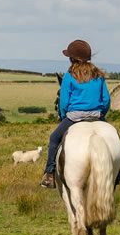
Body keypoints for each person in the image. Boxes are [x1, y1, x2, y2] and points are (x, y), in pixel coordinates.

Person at [40, 40, 111, 189]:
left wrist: (64, 115)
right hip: (96, 115)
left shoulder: (69, 76)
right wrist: (101, 114)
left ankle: (49, 173)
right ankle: (117, 172)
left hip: (74, 117)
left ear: (73, 59)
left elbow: (64, 101)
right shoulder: (98, 75)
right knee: (113, 137)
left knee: (53, 139)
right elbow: (106, 100)